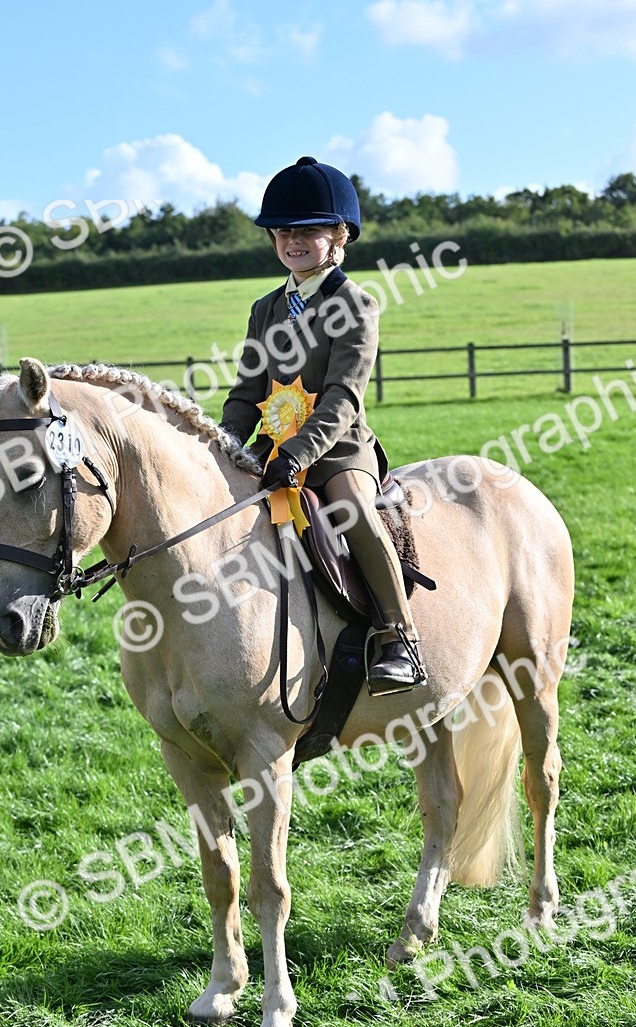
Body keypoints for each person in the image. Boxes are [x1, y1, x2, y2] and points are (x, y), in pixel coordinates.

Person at [221, 156, 426, 694]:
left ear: (340, 237)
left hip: (336, 451)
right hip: (270, 450)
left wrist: (301, 453)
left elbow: (343, 396)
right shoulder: (265, 309)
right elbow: (246, 392)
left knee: (356, 512)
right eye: (285, 231)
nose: (293, 240)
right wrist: (221, 446)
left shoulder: (355, 304)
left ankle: (398, 636)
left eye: (309, 230)